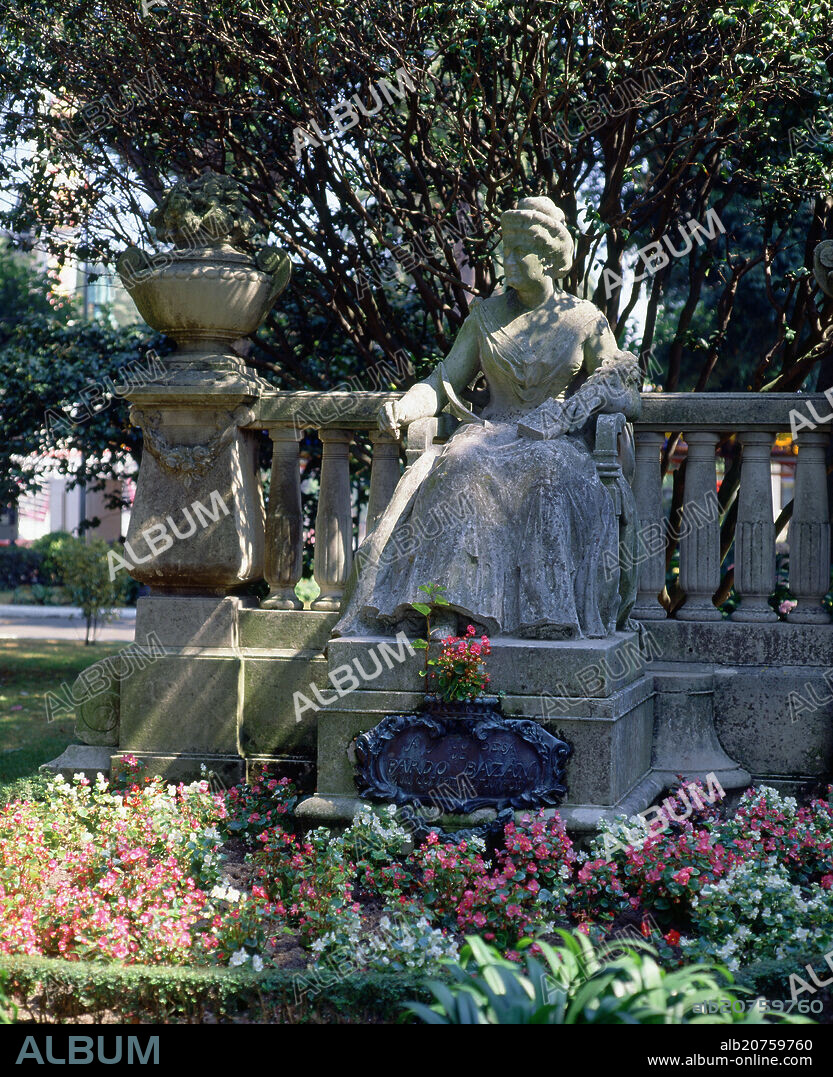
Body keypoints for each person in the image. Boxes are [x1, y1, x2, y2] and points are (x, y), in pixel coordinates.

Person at [335, 196, 640, 640]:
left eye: (520, 251)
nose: (507, 260)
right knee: (461, 463)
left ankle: (545, 614)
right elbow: (442, 381)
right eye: (505, 250)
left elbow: (627, 391)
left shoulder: (583, 320)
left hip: (556, 442)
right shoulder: (485, 316)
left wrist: (599, 402)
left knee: (545, 472)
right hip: (490, 433)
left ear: (551, 259)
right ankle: (445, 608)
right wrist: (405, 406)